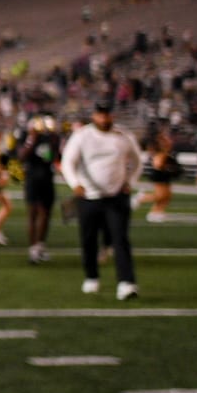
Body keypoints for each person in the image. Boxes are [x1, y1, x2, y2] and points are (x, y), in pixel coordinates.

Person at [60, 99, 143, 301]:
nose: (104, 118)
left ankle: (127, 283)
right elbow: (68, 162)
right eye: (100, 114)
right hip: (89, 196)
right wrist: (75, 184)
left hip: (116, 196)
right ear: (94, 115)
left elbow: (138, 160)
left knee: (120, 239)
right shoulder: (82, 136)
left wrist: (130, 181)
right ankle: (91, 276)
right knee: (89, 239)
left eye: (107, 114)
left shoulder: (123, 136)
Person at [16, 114, 61, 263]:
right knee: (33, 214)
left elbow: (55, 158)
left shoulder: (51, 138)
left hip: (47, 179)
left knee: (46, 213)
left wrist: (55, 141)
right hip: (32, 179)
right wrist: (31, 139)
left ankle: (40, 246)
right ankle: (33, 248)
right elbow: (21, 157)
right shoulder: (26, 136)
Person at [133, 125, 179, 222]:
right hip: (159, 168)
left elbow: (168, 147)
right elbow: (160, 149)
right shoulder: (157, 142)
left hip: (163, 165)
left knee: (167, 195)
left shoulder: (162, 141)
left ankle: (156, 212)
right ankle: (141, 198)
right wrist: (162, 139)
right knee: (160, 195)